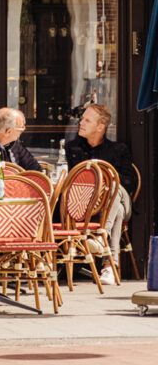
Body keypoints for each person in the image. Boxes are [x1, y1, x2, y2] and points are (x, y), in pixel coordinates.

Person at [64, 102, 134, 286]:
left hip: (119, 198)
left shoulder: (119, 150)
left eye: (87, 120)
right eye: (82, 119)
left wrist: (103, 180)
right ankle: (109, 267)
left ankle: (98, 237)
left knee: (113, 185)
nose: (81, 123)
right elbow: (72, 181)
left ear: (100, 127)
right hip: (87, 206)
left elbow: (128, 181)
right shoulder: (73, 148)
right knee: (116, 210)